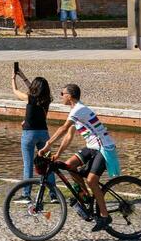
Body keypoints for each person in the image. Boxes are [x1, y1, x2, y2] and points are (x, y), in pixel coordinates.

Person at [40, 83, 120, 231]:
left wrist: (47, 145)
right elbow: (68, 136)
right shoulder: (75, 112)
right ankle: (86, 197)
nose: (61, 96)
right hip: (92, 147)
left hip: (104, 148)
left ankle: (104, 216)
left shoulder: (79, 110)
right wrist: (58, 154)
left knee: (91, 180)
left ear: (69, 96)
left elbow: (63, 129)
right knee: (69, 165)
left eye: (62, 93)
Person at [11, 65, 52, 198]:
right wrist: (23, 76)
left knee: (28, 165)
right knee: (47, 164)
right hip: (44, 134)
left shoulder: (30, 98)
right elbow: (34, 91)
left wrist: (13, 78)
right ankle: (53, 195)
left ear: (34, 88)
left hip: (29, 134)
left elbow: (15, 91)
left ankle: (26, 194)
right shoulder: (47, 100)